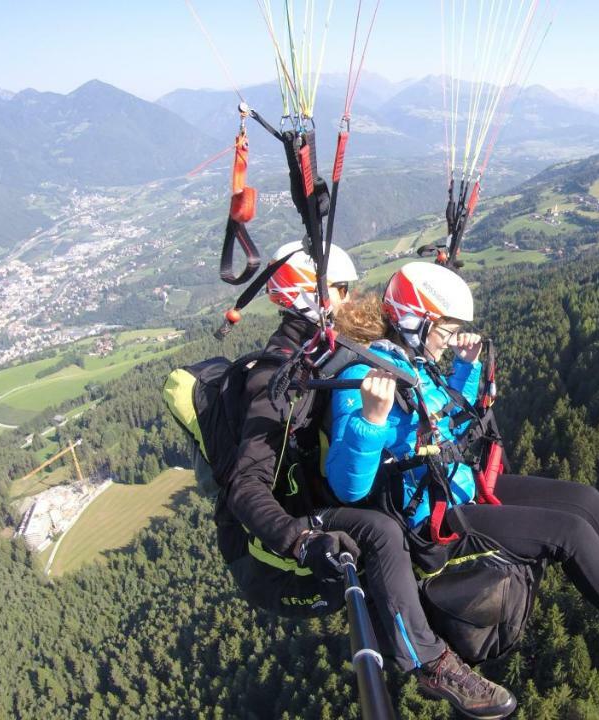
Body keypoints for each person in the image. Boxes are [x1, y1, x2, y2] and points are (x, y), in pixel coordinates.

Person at [325, 261, 599, 696]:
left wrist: (467, 369)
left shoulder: (412, 361)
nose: (450, 340)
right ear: (415, 320)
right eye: (445, 331)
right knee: (568, 533)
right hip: (435, 519)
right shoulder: (364, 374)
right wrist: (371, 420)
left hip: (458, 486)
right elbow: (347, 485)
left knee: (584, 499)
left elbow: (445, 423)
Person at [218, 242, 518, 719]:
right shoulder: (274, 376)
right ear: (306, 294)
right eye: (340, 288)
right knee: (380, 531)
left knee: (392, 505)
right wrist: (299, 540)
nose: (351, 297)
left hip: (322, 491)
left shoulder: (323, 346)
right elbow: (244, 488)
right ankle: (428, 660)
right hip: (288, 528)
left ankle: (427, 605)